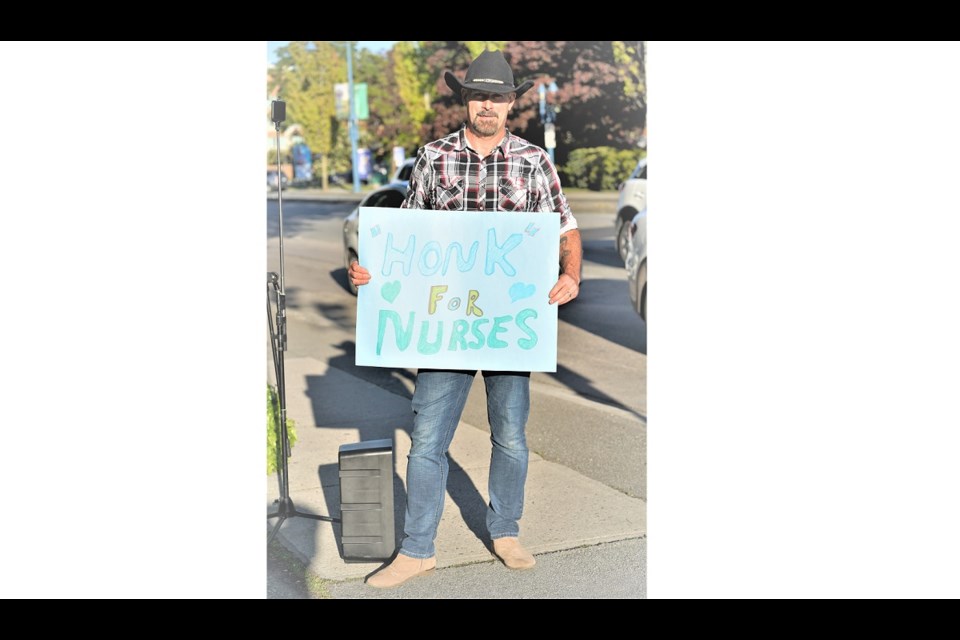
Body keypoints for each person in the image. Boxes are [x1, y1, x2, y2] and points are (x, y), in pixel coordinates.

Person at [349, 49, 582, 589]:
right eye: (479, 96)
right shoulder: (433, 157)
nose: (488, 106)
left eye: (498, 97)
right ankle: (418, 549)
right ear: (466, 99)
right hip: (445, 327)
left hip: (507, 329)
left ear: (511, 104)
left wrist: (571, 275)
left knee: (512, 438)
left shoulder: (534, 161)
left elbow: (565, 228)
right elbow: (406, 238)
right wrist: (370, 273)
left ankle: (505, 531)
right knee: (427, 439)